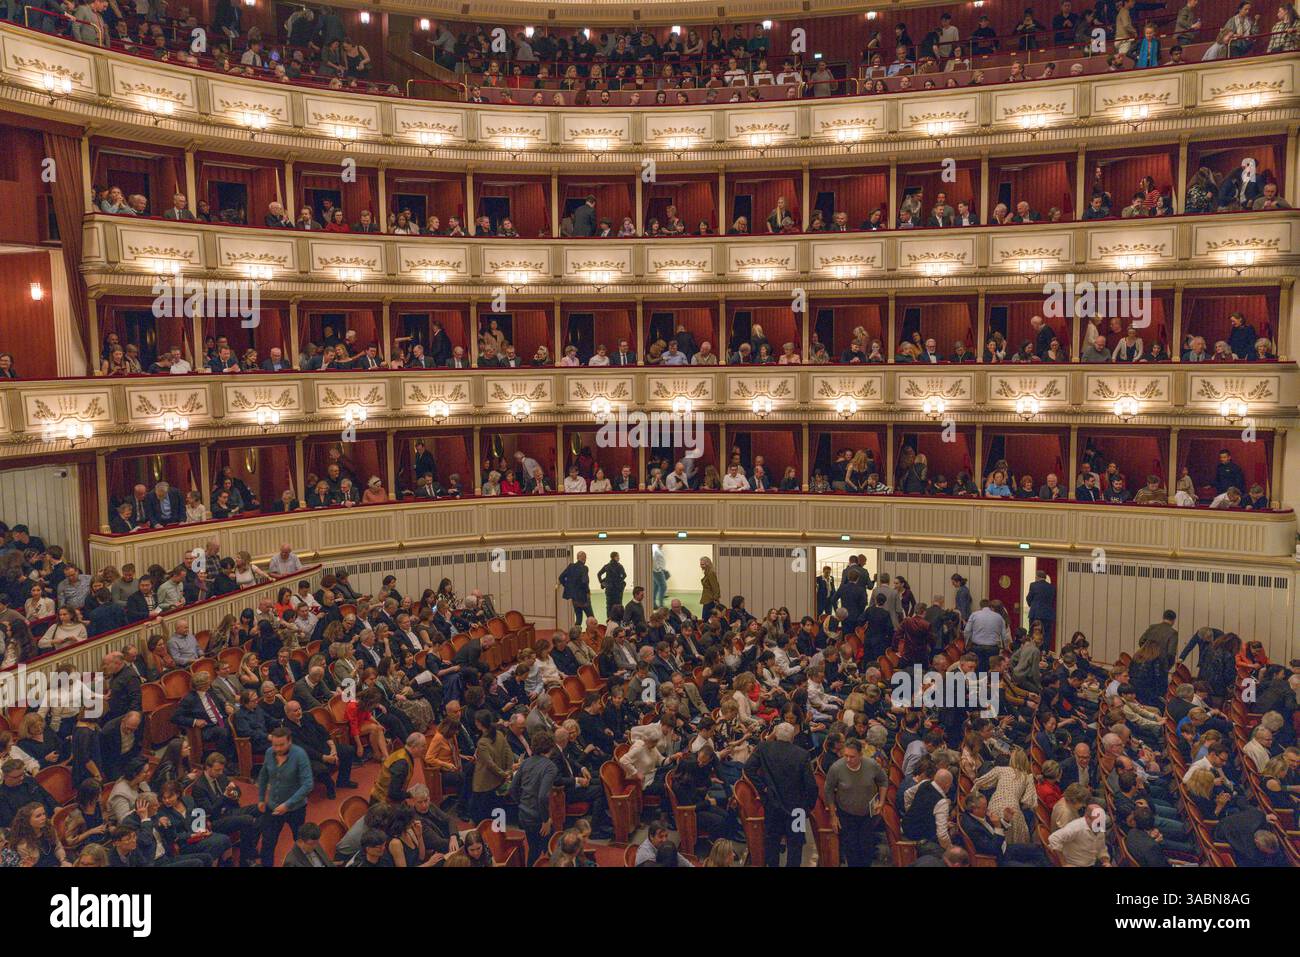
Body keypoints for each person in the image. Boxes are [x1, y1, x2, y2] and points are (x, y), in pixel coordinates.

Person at [744, 722, 818, 867]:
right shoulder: (802, 754)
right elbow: (811, 786)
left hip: (772, 805)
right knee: (795, 846)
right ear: (792, 737)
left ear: (776, 735)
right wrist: (807, 809)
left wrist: (763, 788)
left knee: (772, 844)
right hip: (797, 810)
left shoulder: (764, 748)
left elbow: (749, 768)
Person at [823, 738, 887, 867]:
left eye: (852, 757)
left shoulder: (871, 765)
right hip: (846, 814)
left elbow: (883, 781)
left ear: (860, 755)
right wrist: (833, 816)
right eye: (845, 755)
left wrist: (881, 801)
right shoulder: (836, 768)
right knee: (851, 849)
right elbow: (828, 790)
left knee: (866, 848)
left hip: (867, 815)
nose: (848, 760)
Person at [255, 727, 313, 867]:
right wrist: (261, 798)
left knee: (300, 842)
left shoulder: (300, 754)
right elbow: (263, 775)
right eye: (275, 745)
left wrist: (287, 805)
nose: (278, 748)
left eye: (281, 745)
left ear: (289, 742)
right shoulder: (269, 753)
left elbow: (308, 784)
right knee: (268, 842)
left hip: (296, 808)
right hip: (273, 807)